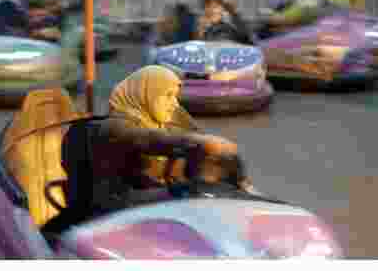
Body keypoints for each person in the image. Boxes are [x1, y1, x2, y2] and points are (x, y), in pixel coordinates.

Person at [43, 66, 252, 231]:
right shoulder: (113, 127)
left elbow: (194, 137)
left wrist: (238, 180)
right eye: (167, 96)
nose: (174, 104)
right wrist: (201, 142)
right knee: (194, 198)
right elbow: (149, 140)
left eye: (175, 96)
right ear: (144, 94)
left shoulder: (160, 121)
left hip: (141, 202)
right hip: (112, 210)